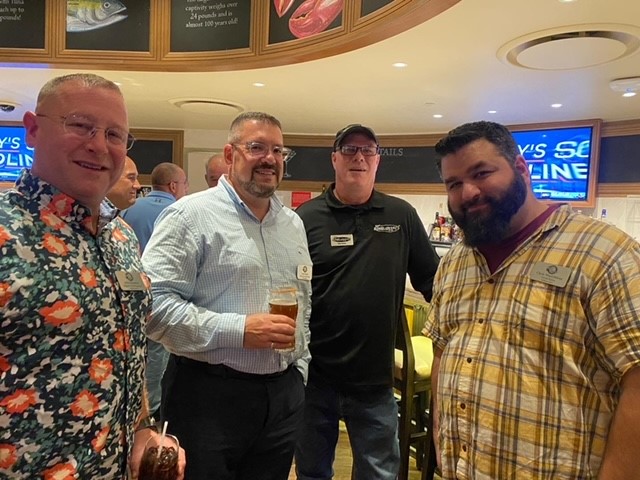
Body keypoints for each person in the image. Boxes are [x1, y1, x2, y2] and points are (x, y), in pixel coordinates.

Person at [425, 120, 640, 479]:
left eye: (481, 173)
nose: (468, 192)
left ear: (521, 168)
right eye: (454, 184)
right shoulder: (454, 263)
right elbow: (441, 350)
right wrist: (440, 438)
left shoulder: (604, 253)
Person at [0, 73, 185, 479]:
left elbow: (128, 349)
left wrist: (142, 429)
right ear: (33, 129)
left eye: (115, 134)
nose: (99, 145)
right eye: (81, 125)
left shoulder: (121, 236)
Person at [142, 111, 312, 480]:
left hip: (282, 398)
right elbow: (154, 308)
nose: (270, 159)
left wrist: (300, 370)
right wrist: (239, 330)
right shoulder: (188, 216)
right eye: (257, 148)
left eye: (278, 151)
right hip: (206, 397)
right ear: (230, 154)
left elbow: (305, 303)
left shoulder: (293, 224)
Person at [294, 124, 440, 480]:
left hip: (375, 379)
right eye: (349, 149)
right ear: (334, 159)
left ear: (377, 161)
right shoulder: (304, 218)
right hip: (314, 376)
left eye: (367, 150)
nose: (358, 156)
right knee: (312, 472)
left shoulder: (401, 216)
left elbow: (433, 282)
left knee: (378, 475)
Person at [121, 162, 189, 420]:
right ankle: (151, 415)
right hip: (163, 300)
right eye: (184, 184)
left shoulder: (126, 211)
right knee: (158, 356)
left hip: (128, 298)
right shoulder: (181, 212)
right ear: (173, 185)